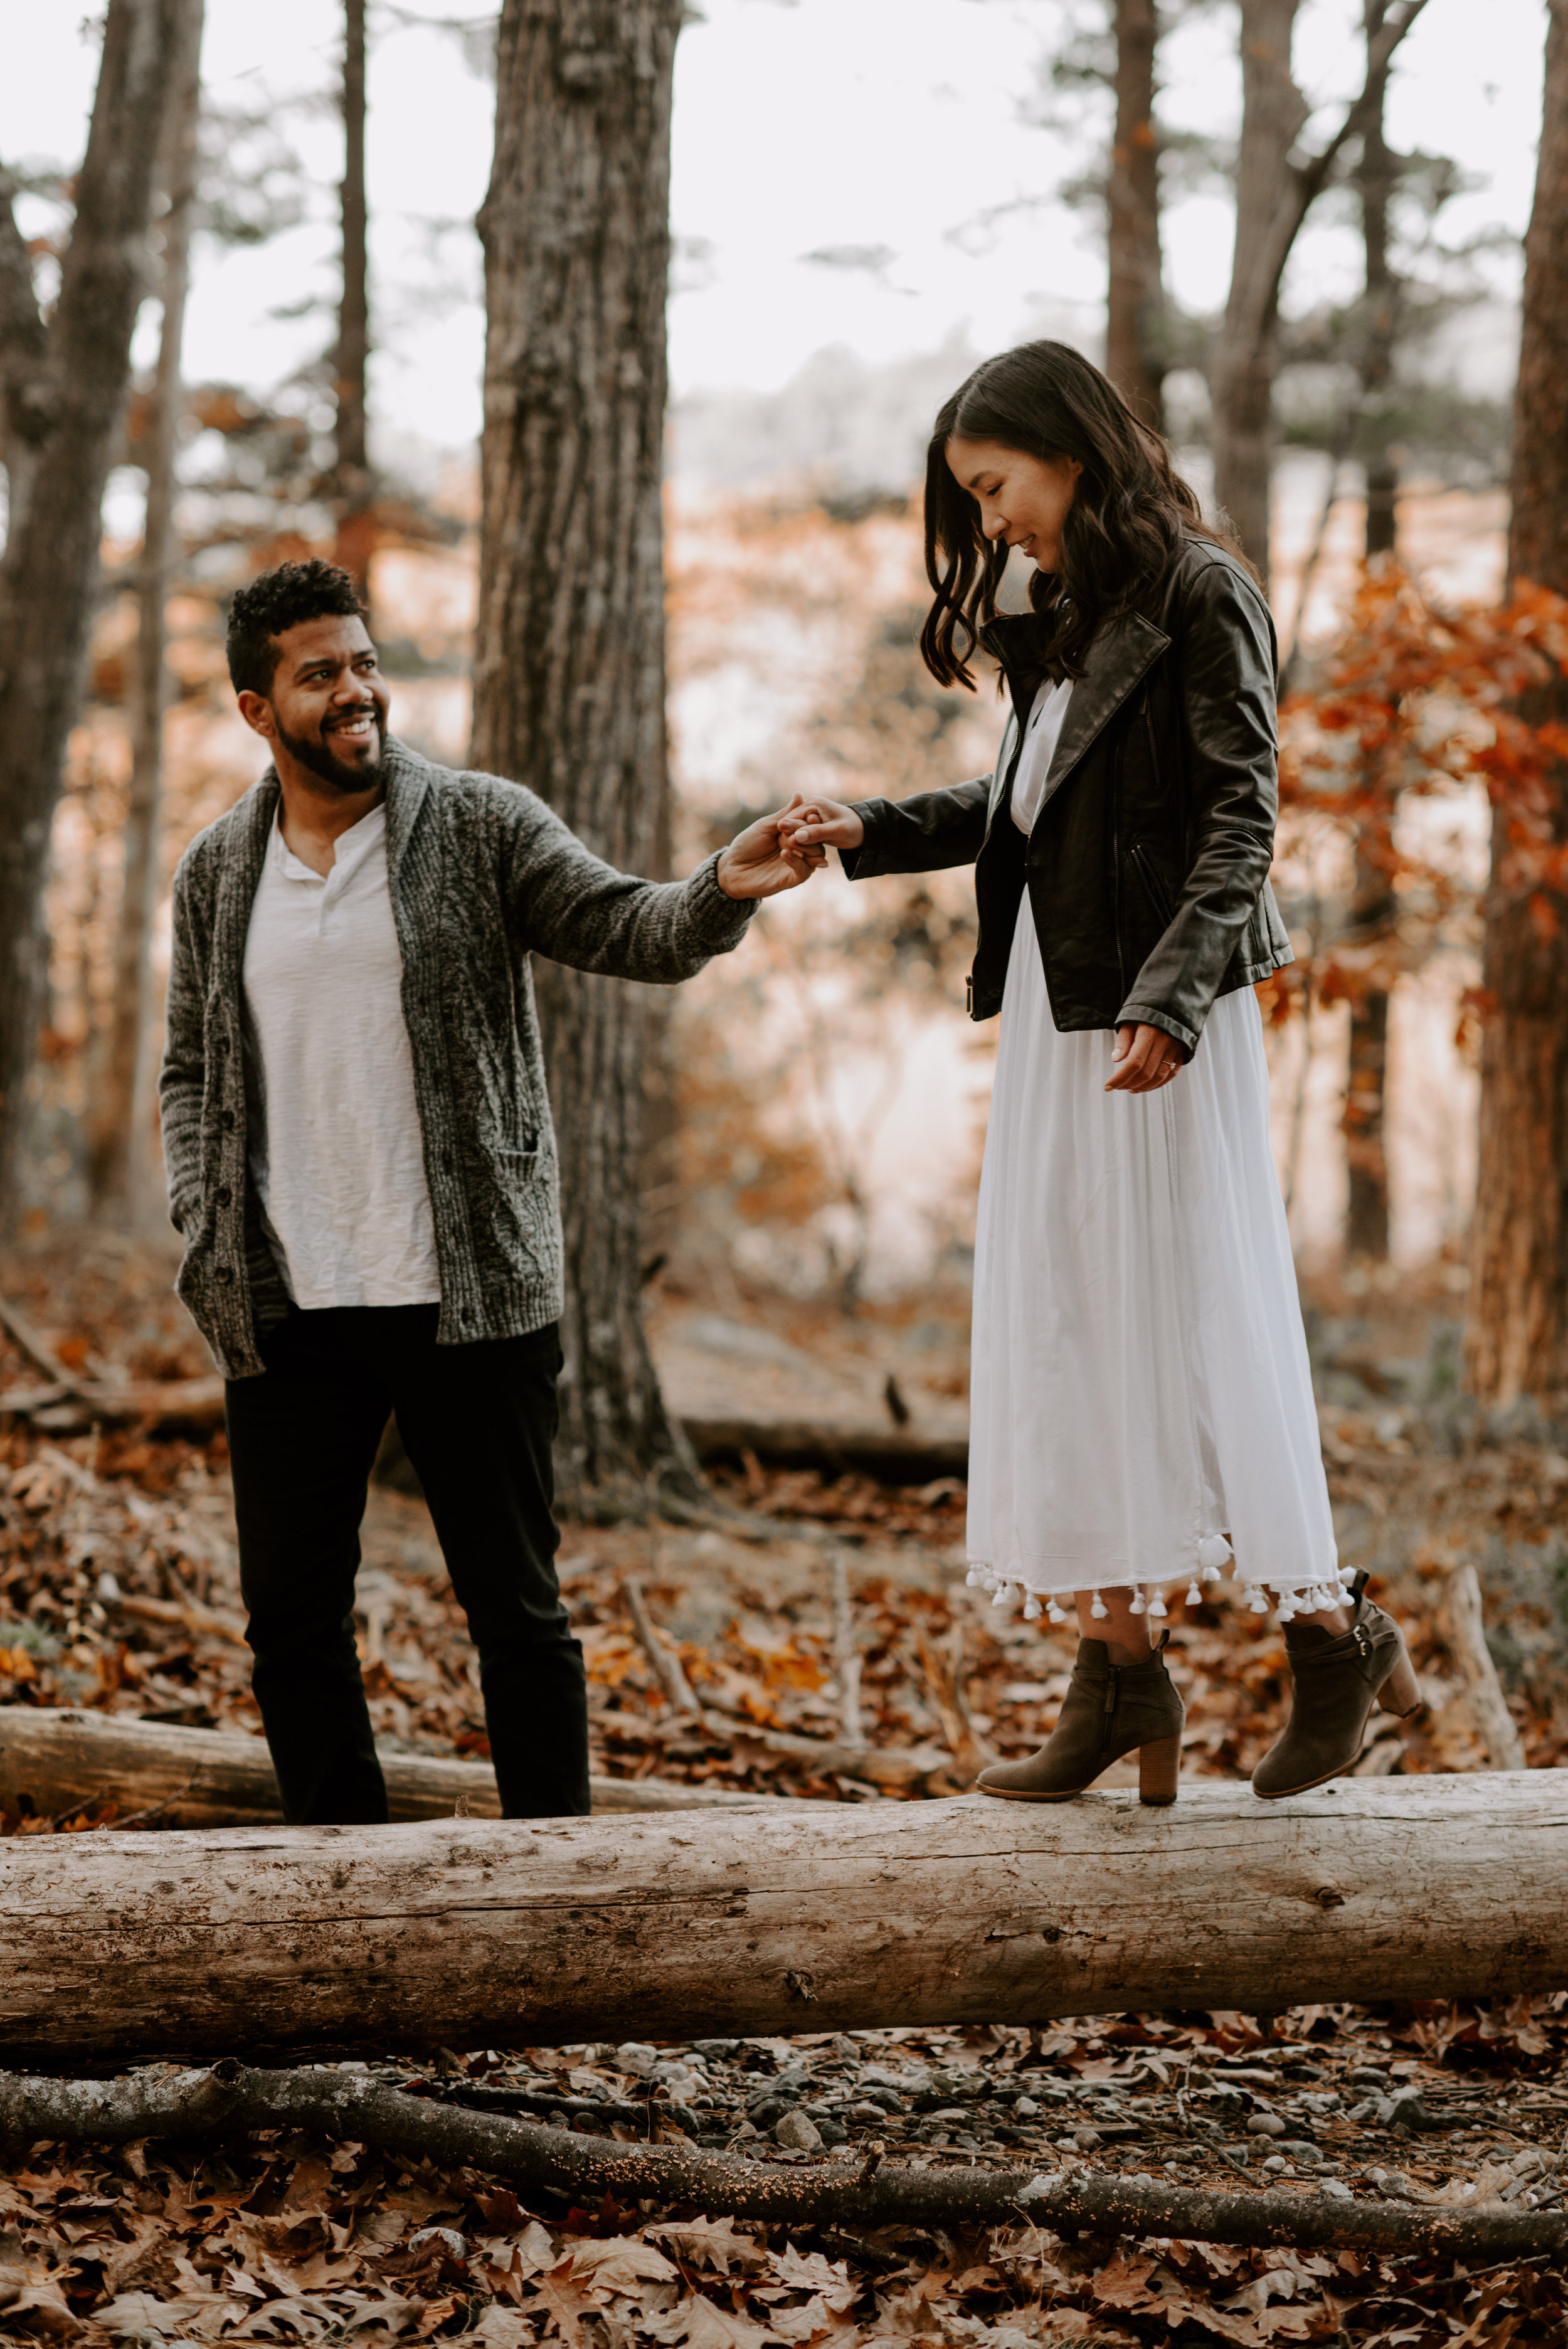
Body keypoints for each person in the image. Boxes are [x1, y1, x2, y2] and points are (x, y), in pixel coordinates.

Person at [783, 342, 1419, 1806]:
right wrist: (863, 828)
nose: (990, 521)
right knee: (1069, 1323)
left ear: (1068, 452)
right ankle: (1121, 1670)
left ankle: (1331, 1639)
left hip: (1159, 1027)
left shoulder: (1205, 593)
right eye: (974, 499)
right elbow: (1022, 807)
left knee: (1199, 1317)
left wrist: (1175, 995)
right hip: (1063, 1016)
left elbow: (1239, 822)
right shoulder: (1063, 615)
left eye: (994, 487)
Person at [161, 558, 822, 1826]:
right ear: (257, 709)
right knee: (289, 1624)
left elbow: (622, 922)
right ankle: (344, 1905)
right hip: (289, 1302)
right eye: (320, 675)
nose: (356, 692)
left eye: (363, 663)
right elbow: (187, 1067)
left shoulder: (476, 823)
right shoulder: (216, 872)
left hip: (470, 1298)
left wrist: (720, 887)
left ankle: (556, 1899)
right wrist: (203, 1216)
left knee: (514, 1610)